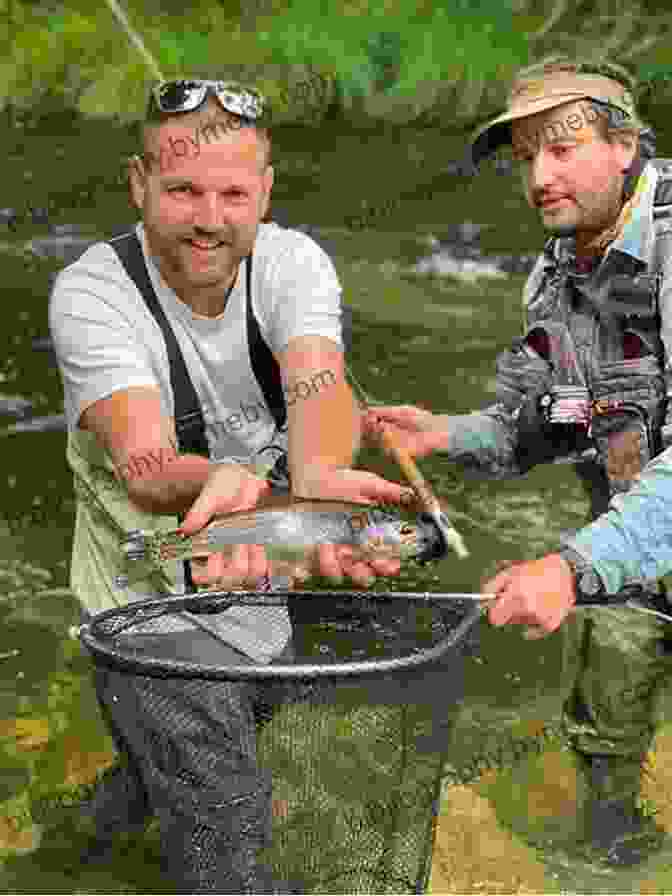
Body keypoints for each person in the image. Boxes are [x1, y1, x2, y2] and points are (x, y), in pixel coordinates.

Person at [48, 79, 411, 892]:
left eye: (234, 194)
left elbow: (318, 385)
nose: (211, 219)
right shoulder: (92, 291)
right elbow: (145, 468)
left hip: (261, 563)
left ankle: (72, 857)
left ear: (266, 194)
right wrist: (234, 482)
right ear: (139, 183)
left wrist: (316, 484)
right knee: (225, 805)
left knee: (182, 761)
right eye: (182, 190)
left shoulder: (292, 263)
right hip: (142, 593)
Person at [366, 56, 672, 866]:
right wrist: (447, 434)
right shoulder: (553, 274)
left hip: (628, 535)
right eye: (527, 157)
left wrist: (569, 570)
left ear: (625, 145)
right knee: (609, 714)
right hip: (632, 543)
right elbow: (538, 421)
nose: (539, 176)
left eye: (561, 150)